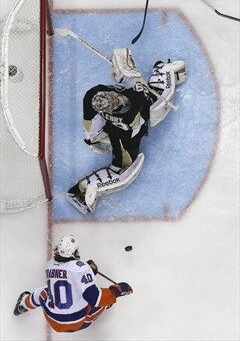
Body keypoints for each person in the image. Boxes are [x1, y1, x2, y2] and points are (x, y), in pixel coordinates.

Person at [66, 49, 187, 213]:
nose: (117, 100)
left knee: (152, 106)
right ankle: (82, 190)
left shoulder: (132, 94)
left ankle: (83, 188)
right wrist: (91, 138)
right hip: (124, 135)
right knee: (122, 164)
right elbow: (121, 174)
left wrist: (124, 63)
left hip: (131, 126)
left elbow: (122, 57)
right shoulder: (96, 95)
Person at [13, 235, 133, 333]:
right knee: (101, 301)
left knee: (43, 292)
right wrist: (117, 290)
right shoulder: (82, 268)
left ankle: (23, 305)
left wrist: (90, 272)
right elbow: (94, 298)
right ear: (74, 252)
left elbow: (66, 276)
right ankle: (110, 302)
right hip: (78, 322)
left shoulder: (49, 265)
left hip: (52, 320)